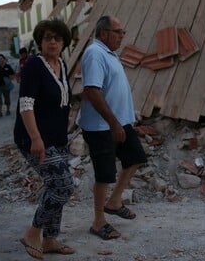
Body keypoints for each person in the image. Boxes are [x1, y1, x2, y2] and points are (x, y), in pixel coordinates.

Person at [78, 15, 147, 241]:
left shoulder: (109, 54)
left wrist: (121, 121)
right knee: (105, 174)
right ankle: (98, 222)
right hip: (101, 127)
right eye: (118, 31)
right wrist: (113, 123)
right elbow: (92, 91)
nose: (122, 36)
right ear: (104, 33)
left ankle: (114, 201)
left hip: (119, 123)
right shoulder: (94, 54)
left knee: (136, 157)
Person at [14, 19, 75, 259]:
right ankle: (33, 232)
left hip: (58, 137)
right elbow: (26, 105)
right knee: (63, 185)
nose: (53, 41)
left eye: (57, 38)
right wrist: (35, 138)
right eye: (48, 37)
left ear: (63, 43)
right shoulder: (34, 65)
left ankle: (50, 239)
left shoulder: (61, 63)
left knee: (54, 185)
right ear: (40, 41)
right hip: (34, 139)